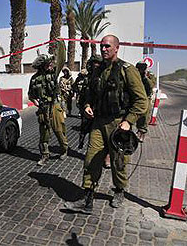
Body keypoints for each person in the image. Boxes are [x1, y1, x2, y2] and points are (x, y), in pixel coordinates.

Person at [66, 35, 148, 214]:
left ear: (117, 48)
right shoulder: (98, 70)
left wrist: (128, 121)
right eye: (102, 46)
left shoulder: (128, 70)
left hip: (119, 124)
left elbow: (142, 101)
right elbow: (89, 93)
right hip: (98, 122)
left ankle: (119, 191)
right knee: (90, 159)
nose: (104, 49)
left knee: (118, 162)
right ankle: (87, 199)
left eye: (107, 46)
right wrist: (87, 105)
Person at [28, 54, 68, 166]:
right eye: (48, 64)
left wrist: (60, 44)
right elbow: (31, 95)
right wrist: (38, 105)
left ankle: (64, 149)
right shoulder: (34, 79)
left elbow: (61, 59)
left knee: (59, 130)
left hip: (55, 105)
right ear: (42, 66)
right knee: (44, 132)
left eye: (51, 63)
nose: (50, 65)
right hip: (43, 107)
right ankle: (45, 155)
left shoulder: (54, 74)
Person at [135, 61, 156, 142]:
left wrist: (145, 77)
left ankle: (141, 132)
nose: (141, 69)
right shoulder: (134, 73)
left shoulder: (149, 75)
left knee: (145, 116)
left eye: (142, 67)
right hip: (135, 97)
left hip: (145, 97)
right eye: (139, 67)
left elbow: (151, 85)